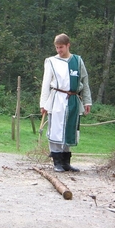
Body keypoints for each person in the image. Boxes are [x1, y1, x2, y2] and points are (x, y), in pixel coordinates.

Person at [39, 33, 92, 172]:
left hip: (73, 100)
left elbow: (84, 82)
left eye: (61, 47)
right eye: (57, 48)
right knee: (56, 130)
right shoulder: (51, 61)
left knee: (69, 129)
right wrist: (43, 104)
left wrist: (87, 101)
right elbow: (45, 84)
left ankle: (66, 162)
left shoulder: (78, 61)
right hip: (57, 99)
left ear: (68, 45)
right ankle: (56, 161)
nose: (59, 50)